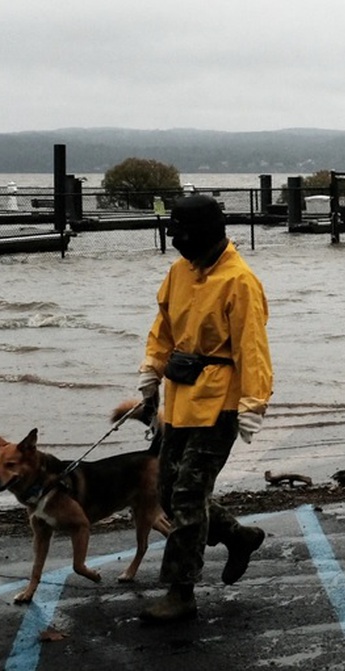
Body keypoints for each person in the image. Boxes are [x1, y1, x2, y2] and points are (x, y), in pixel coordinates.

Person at [136, 194, 273, 624]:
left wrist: (254, 402)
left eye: (182, 234)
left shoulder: (240, 281)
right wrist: (151, 372)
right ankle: (236, 536)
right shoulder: (178, 273)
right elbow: (163, 329)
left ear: (205, 234)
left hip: (221, 404)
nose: (176, 242)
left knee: (189, 495)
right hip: (179, 398)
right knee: (167, 491)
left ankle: (181, 591)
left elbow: (253, 347)